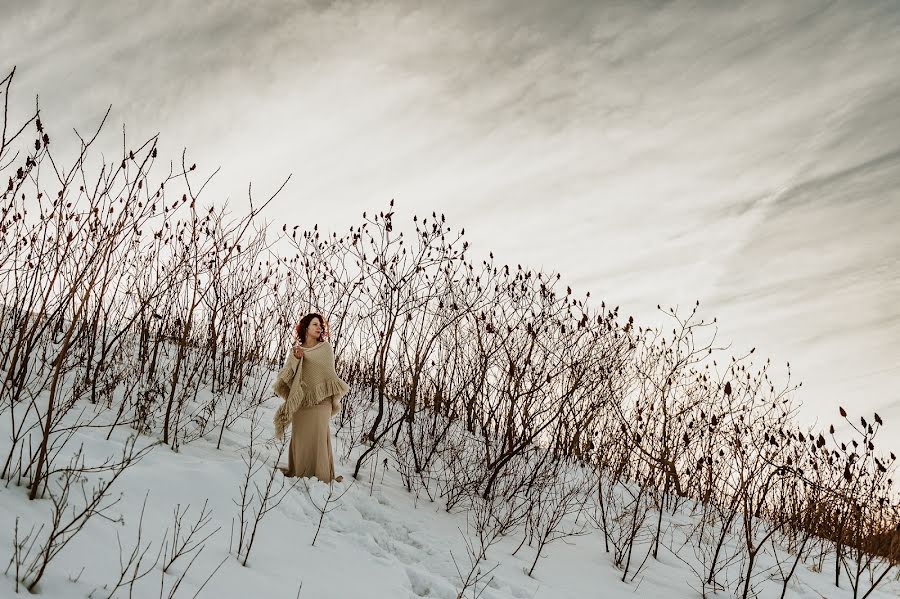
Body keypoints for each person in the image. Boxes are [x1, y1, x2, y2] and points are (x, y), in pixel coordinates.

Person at [272, 313, 349, 482]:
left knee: (319, 439)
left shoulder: (325, 348)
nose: (319, 327)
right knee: (300, 438)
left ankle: (321, 476)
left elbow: (328, 374)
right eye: (315, 324)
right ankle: (300, 472)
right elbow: (288, 376)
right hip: (301, 402)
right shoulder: (297, 350)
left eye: (320, 325)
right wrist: (296, 359)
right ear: (306, 327)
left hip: (321, 402)